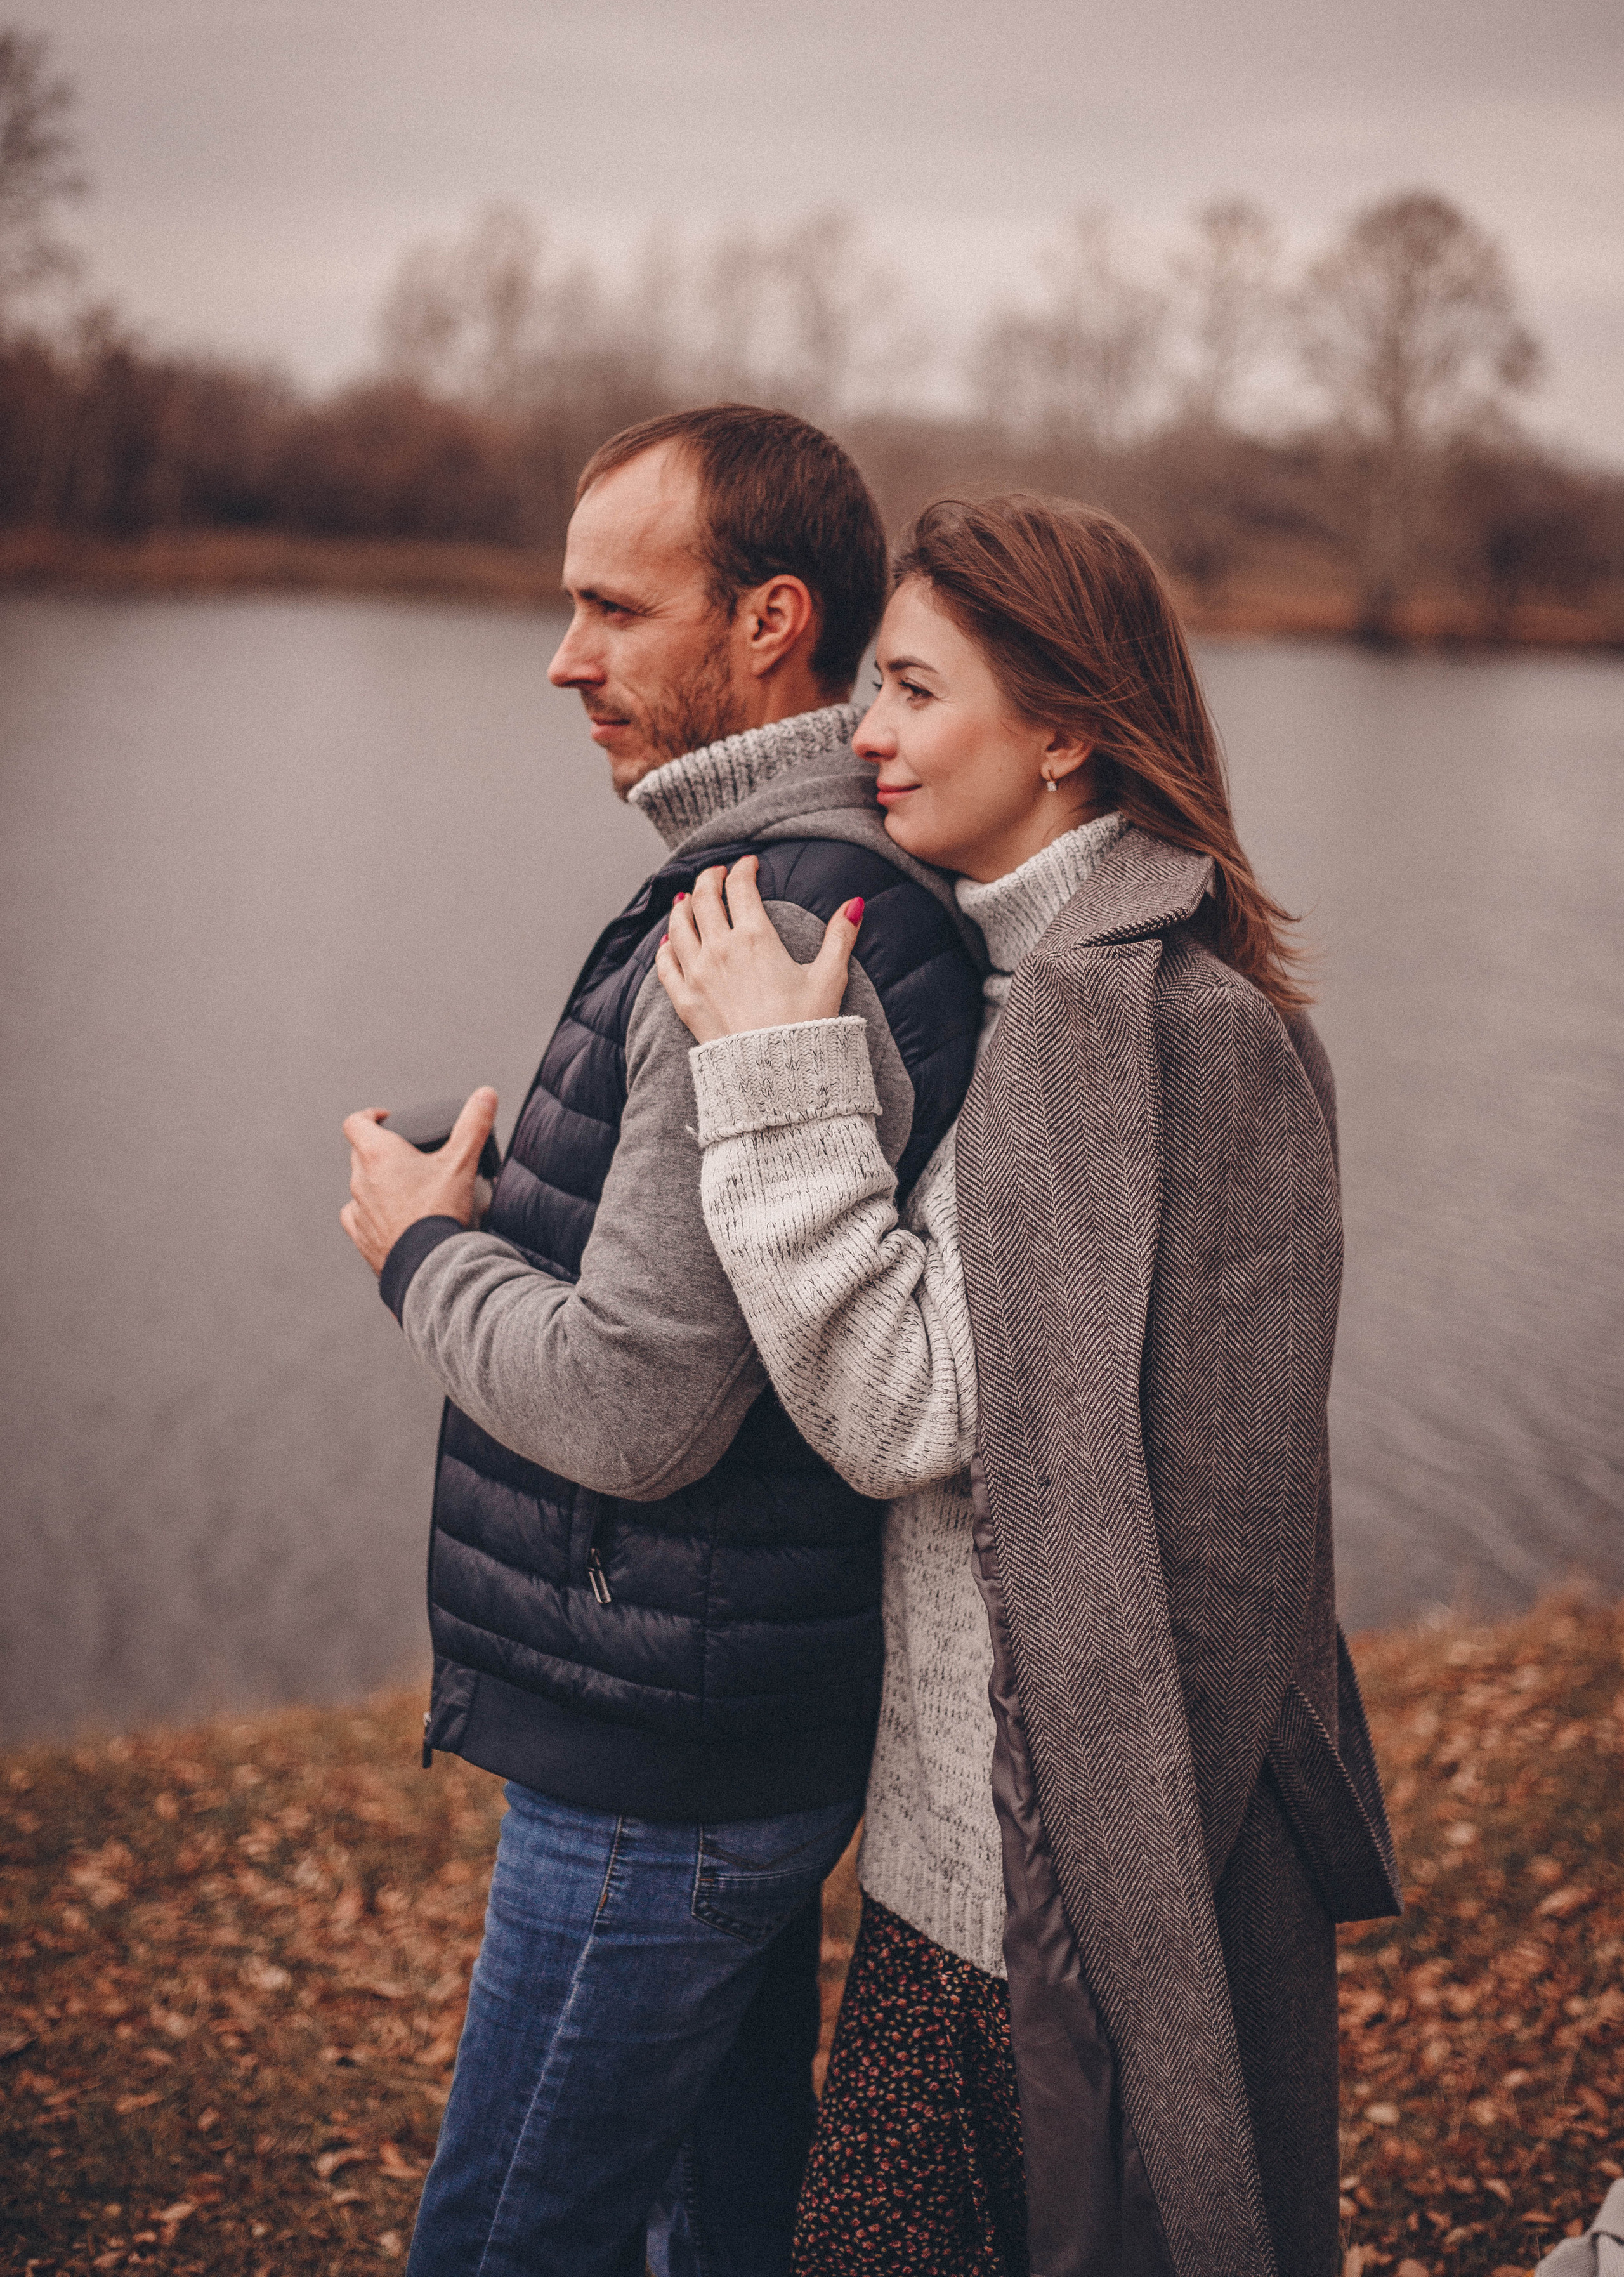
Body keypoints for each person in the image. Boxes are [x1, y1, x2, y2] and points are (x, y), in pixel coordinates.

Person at [657, 493, 1403, 2277]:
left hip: (1055, 1894)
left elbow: (907, 1406)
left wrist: (775, 1079)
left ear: (1066, 728)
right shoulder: (1074, 985)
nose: (868, 733)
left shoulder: (1128, 1028)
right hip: (996, 1862)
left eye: (914, 689)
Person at [337, 407, 985, 2277]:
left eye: (615, 610)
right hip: (714, 1722)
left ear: (772, 619)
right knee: (718, 2230)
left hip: (662, 1768)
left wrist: (419, 1250)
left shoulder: (775, 917)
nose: (566, 659)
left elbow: (636, 1408)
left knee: (508, 2240)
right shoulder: (781, 881)